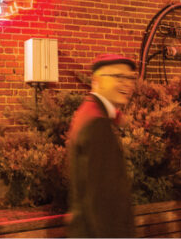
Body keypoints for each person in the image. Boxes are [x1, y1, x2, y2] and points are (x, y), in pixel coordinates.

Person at [67, 54, 137, 237]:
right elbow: (101, 200)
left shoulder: (90, 112)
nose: (127, 84)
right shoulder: (97, 123)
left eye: (130, 78)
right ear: (97, 81)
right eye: (119, 77)